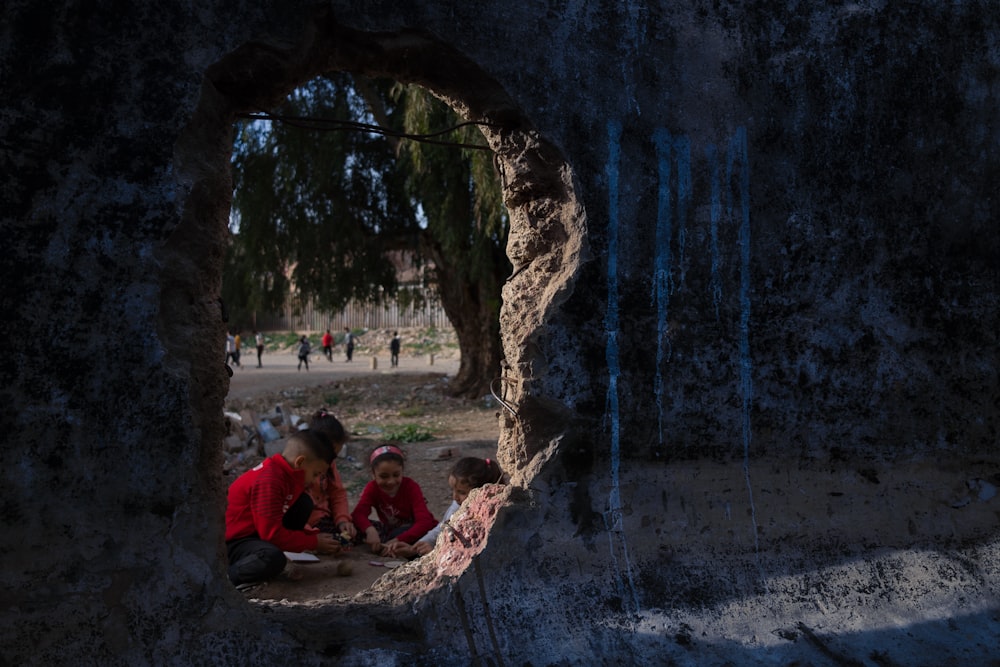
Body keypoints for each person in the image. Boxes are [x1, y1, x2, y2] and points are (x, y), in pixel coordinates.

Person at [224, 431, 341, 588]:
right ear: (300, 462)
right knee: (272, 558)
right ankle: (224, 579)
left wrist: (315, 537)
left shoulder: (288, 475)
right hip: (233, 543)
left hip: (256, 533)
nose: (315, 480)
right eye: (315, 473)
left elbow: (279, 518)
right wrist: (313, 542)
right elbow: (271, 534)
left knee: (303, 503)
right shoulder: (270, 480)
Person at [351, 445, 436, 557]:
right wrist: (370, 531)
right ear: (373, 474)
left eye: (396, 475)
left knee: (400, 535)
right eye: (384, 476)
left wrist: (398, 540)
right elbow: (358, 513)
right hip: (392, 531)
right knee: (354, 527)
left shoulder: (410, 487)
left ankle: (399, 548)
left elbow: (425, 522)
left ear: (402, 471)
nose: (391, 481)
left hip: (416, 531)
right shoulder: (372, 488)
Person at [411, 457, 506, 557]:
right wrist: (421, 543)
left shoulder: (490, 515)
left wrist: (435, 554)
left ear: (482, 492)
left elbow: (469, 550)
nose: (454, 497)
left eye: (461, 492)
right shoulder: (458, 505)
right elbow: (443, 527)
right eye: (453, 490)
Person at [304, 410, 356, 541]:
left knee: (370, 530)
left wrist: (343, 520)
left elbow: (337, 493)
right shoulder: (301, 468)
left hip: (328, 519)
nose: (330, 461)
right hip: (308, 526)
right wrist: (311, 538)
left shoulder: (329, 464)